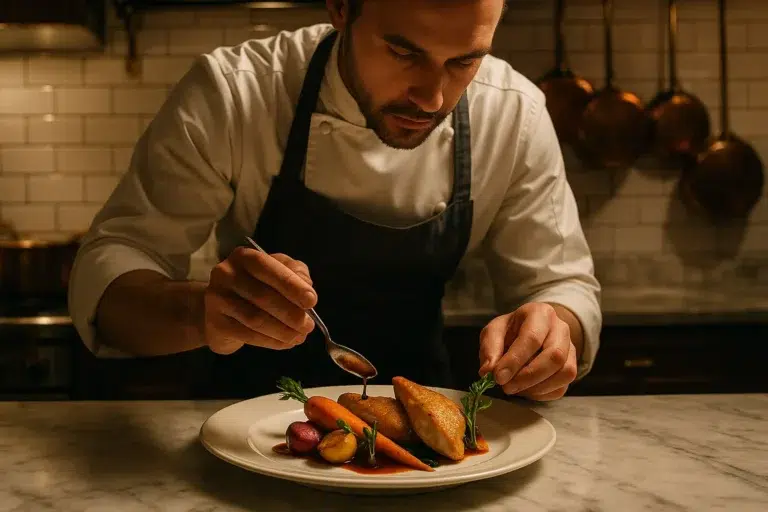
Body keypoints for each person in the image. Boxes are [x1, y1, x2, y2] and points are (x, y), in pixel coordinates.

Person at [68, 0, 602, 401]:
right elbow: (111, 276)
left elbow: (562, 285)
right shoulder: (237, 93)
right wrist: (204, 311)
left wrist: (553, 329)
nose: (432, 97)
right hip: (241, 435)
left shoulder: (514, 114)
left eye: (463, 62)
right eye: (402, 52)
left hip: (422, 439)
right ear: (341, 7)